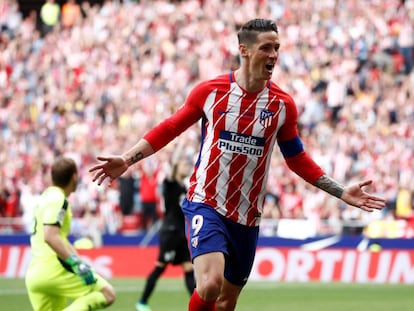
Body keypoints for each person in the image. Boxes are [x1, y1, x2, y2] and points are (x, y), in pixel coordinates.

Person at [89, 18, 386, 311]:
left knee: (226, 302)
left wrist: (340, 191)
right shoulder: (210, 92)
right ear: (244, 50)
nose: (273, 55)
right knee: (208, 285)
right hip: (206, 202)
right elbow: (170, 128)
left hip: (247, 216)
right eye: (266, 48)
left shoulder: (282, 105)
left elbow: (296, 159)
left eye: (277, 48)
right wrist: (127, 159)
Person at [25, 156, 116, 311]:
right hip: (54, 268)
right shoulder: (58, 199)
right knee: (107, 294)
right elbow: (50, 235)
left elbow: (56, 236)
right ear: (74, 176)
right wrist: (76, 262)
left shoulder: (44, 198)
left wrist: (78, 258)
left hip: (35, 273)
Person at [136, 148, 196, 311]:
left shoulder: (184, 188)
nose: (187, 167)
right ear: (176, 167)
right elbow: (171, 166)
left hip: (181, 233)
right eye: (184, 164)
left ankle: (200, 306)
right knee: (160, 266)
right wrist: (180, 148)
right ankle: (142, 302)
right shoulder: (170, 184)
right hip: (170, 232)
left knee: (189, 268)